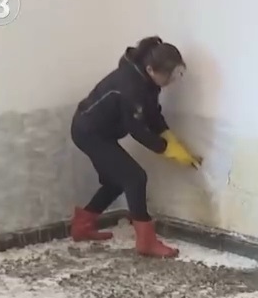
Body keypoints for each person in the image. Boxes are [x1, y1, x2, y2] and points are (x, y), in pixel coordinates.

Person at [69, 36, 200, 258]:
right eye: (169, 76)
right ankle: (146, 242)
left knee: (116, 182)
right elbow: (137, 129)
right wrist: (167, 149)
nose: (172, 80)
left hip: (101, 132)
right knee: (135, 178)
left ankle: (82, 226)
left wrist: (171, 139)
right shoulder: (130, 86)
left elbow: (152, 115)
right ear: (151, 69)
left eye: (176, 74)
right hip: (88, 132)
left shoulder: (147, 80)